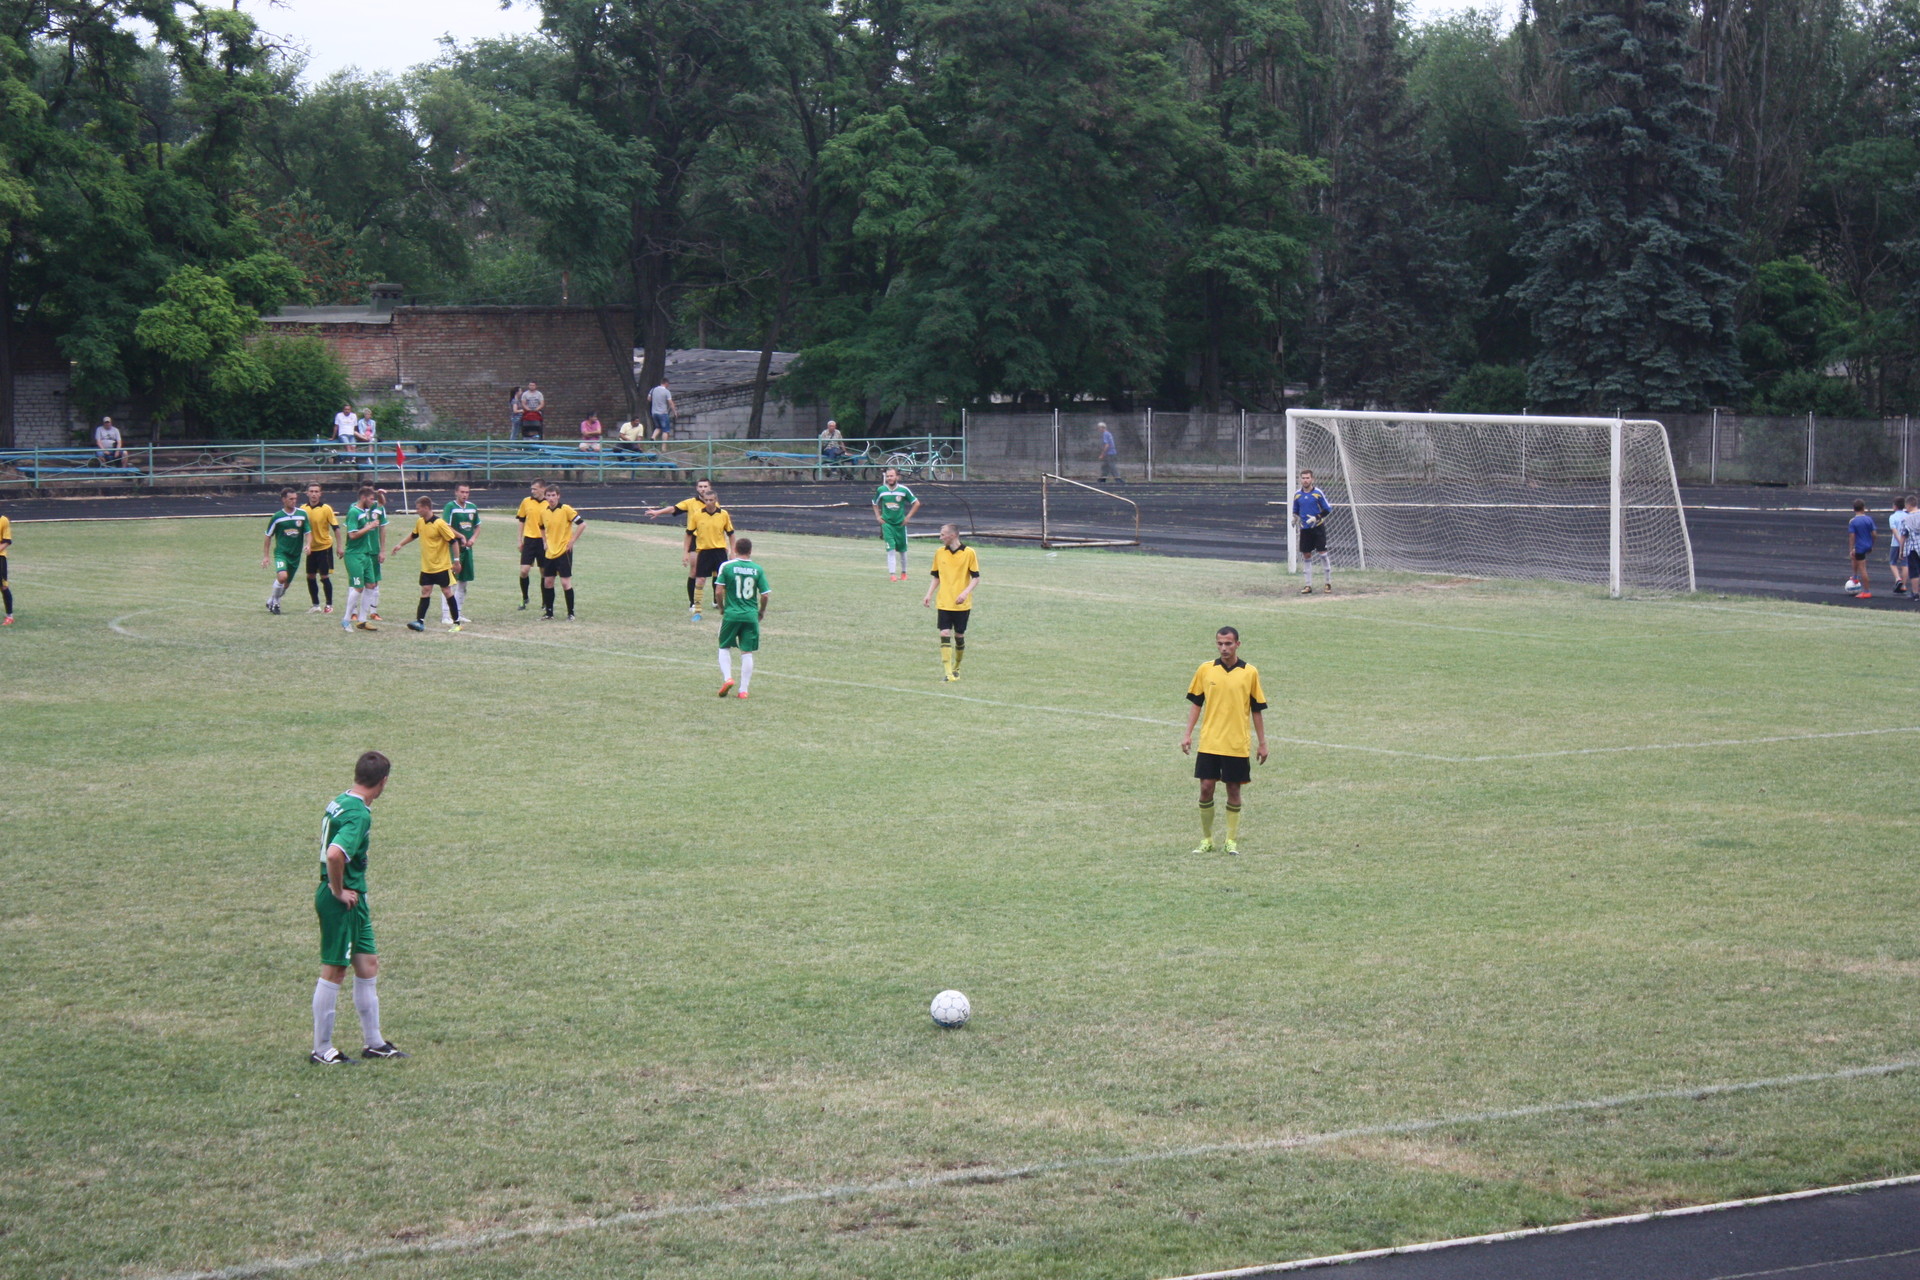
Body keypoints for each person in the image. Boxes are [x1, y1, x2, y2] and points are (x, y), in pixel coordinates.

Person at [311, 750, 408, 1065]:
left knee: (367, 965)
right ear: (383, 782)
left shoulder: (342, 800)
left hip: (356, 899)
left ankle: (374, 1043)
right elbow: (336, 854)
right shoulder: (359, 814)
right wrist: (338, 891)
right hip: (343, 900)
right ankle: (322, 1049)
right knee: (335, 969)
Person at [1179, 626, 1269, 856]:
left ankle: (1231, 840)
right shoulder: (1205, 670)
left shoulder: (1250, 673)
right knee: (1206, 788)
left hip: (1236, 743)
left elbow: (1257, 709)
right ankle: (1207, 839)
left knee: (1233, 790)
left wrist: (1262, 742)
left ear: (1238, 644)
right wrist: (1187, 734)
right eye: (1220, 643)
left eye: (1228, 643)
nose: (1224, 648)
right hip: (1210, 742)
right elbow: (1196, 703)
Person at [391, 496, 464, 632]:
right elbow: (414, 535)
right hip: (427, 566)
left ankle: (457, 622)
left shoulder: (439, 524)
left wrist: (456, 561)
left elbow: (453, 541)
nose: (417, 511)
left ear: (426, 508)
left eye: (418, 508)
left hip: (441, 566)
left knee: (447, 591)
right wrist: (400, 544)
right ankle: (420, 621)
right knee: (425, 591)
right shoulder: (420, 522)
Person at [646, 480, 717, 612]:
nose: (702, 489)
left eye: (705, 486)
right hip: (696, 539)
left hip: (712, 540)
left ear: (710, 487)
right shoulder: (690, 502)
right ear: (697, 488)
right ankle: (692, 603)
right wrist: (658, 512)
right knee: (695, 570)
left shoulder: (715, 503)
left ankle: (716, 600)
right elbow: (674, 508)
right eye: (700, 486)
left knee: (717, 571)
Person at [714, 536, 770, 700]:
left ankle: (728, 678)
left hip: (731, 614)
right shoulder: (757, 569)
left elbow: (718, 591)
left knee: (724, 646)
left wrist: (722, 607)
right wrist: (761, 612)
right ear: (750, 551)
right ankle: (743, 690)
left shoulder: (727, 566)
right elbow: (765, 595)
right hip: (750, 616)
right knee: (747, 652)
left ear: (735, 550)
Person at [922, 522, 979, 682]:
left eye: (942, 535)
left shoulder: (969, 553)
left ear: (952, 535)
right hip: (944, 602)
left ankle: (956, 668)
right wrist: (929, 594)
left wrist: (965, 593)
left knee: (959, 635)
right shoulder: (939, 553)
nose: (940, 538)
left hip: (962, 604)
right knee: (944, 633)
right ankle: (947, 673)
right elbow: (936, 576)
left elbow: (976, 578)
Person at [686, 490, 735, 622]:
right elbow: (689, 534)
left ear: (716, 500)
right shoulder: (697, 515)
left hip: (719, 552)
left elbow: (731, 534)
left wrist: (733, 551)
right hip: (704, 551)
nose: (708, 503)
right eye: (706, 500)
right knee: (700, 580)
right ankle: (697, 611)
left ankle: (726, 609)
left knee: (723, 582)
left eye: (711, 500)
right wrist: (685, 552)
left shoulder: (723, 514)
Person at [262, 487, 311, 615]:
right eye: (291, 499)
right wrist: (266, 557)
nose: (293, 501)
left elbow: (308, 532)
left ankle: (271, 600)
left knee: (286, 584)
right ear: (284, 500)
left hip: (295, 555)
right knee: (282, 576)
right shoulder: (277, 517)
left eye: (295, 499)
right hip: (281, 553)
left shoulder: (302, 514)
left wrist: (308, 544)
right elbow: (268, 536)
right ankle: (276, 603)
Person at [539, 482, 585, 620]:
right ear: (545, 497)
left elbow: (582, 524)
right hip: (550, 552)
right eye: (548, 495)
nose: (551, 498)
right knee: (548, 582)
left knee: (565, 583)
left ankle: (571, 613)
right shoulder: (544, 512)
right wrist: (545, 542)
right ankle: (549, 613)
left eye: (553, 495)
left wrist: (572, 541)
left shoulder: (566, 509)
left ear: (558, 496)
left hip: (563, 551)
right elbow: (541, 527)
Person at [340, 484, 382, 632]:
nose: (373, 502)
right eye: (371, 499)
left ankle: (362, 620)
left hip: (366, 555)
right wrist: (369, 527)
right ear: (363, 498)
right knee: (358, 587)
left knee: (371, 585)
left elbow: (381, 504)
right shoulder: (353, 512)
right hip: (354, 555)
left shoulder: (365, 512)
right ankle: (346, 619)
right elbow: (352, 535)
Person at [441, 484, 481, 624]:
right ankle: (446, 615)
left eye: (467, 492)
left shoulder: (472, 507)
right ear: (456, 492)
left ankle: (457, 613)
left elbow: (477, 526)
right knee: (450, 581)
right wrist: (460, 536)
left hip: (467, 549)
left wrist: (473, 538)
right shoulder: (450, 507)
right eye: (462, 492)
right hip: (453, 547)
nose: (465, 495)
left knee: (463, 582)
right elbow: (445, 526)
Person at [873, 467, 920, 580]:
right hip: (887, 524)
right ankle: (892, 574)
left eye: (892, 476)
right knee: (891, 549)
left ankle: (904, 573)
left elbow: (917, 503)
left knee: (902, 551)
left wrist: (907, 517)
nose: (889, 478)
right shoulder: (881, 490)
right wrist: (878, 517)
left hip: (900, 525)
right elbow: (874, 503)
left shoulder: (903, 490)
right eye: (888, 476)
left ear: (897, 477)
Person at [300, 483, 341, 614]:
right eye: (311, 491)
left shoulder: (326, 509)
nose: (313, 494)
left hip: (324, 547)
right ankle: (315, 604)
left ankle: (329, 605)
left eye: (316, 491)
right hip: (311, 548)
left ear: (320, 494)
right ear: (307, 493)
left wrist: (339, 546)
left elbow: (336, 528)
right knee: (310, 576)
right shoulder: (302, 509)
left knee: (324, 577)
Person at [1292, 469, 1333, 594]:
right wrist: (1295, 518)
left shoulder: (1317, 493)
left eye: (1307, 478)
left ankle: (1327, 583)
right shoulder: (1297, 494)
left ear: (1312, 479)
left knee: (1322, 554)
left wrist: (1316, 517)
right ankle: (1308, 585)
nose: (1305, 480)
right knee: (1306, 555)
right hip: (1305, 530)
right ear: (1300, 480)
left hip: (1318, 528)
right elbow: (1296, 510)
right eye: (1303, 478)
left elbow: (1327, 509)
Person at [516, 480, 547, 610]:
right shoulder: (526, 501)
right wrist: (519, 540)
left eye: (535, 489)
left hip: (543, 541)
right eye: (532, 489)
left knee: (544, 572)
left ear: (543, 489)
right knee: (524, 570)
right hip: (529, 540)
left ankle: (545, 601)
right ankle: (525, 597)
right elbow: (521, 520)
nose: (532, 491)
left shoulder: (548, 503)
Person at [1847, 500, 1875, 598]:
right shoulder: (1869, 519)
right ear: (1863, 508)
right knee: (1855, 557)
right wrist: (1871, 544)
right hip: (1867, 545)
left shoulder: (1853, 521)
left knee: (1862, 568)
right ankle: (1855, 577)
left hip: (1860, 547)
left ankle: (1866, 591)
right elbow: (1874, 534)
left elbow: (1852, 536)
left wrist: (1851, 548)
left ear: (1854, 509)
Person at [1890, 498, 1908, 595]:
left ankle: (1898, 578)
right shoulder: (1908, 516)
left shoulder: (1893, 517)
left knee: (1892, 562)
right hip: (1907, 543)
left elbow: (1895, 531)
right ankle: (1904, 585)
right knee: (1905, 564)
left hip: (1896, 543)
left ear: (1895, 506)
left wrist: (1900, 542)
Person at [0, 506, 13, 625]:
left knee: (3, 586)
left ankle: (9, 616)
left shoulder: (3, 520)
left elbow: (7, 541)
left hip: (0, 558)